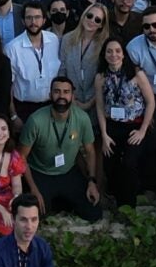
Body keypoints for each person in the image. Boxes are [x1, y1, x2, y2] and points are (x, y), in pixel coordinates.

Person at [19, 76, 102, 222]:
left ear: (72, 96)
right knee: (38, 214)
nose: (61, 96)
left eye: (66, 92)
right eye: (57, 91)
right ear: (50, 95)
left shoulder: (82, 118)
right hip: (41, 172)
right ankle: (56, 200)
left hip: (68, 171)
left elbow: (90, 152)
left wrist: (92, 182)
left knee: (94, 213)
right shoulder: (35, 120)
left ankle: (60, 200)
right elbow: (21, 157)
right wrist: (33, 189)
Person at [93, 38, 156, 210]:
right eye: (109, 51)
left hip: (134, 126)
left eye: (117, 51)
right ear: (104, 54)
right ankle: (115, 197)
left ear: (123, 54)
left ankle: (128, 206)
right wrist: (105, 135)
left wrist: (143, 130)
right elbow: (100, 107)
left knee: (129, 163)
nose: (113, 55)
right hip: (112, 126)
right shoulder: (100, 77)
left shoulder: (136, 74)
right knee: (110, 163)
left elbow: (151, 102)